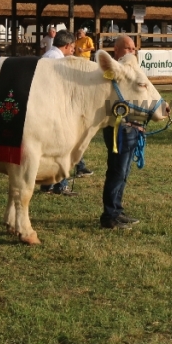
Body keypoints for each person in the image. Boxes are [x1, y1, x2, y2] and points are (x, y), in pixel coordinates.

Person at [39, 30, 94, 194]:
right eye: (72, 48)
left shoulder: (49, 56)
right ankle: (60, 185)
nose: (73, 51)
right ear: (67, 45)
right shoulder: (57, 60)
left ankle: (47, 184)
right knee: (64, 147)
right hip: (55, 109)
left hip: (47, 107)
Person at [100, 35, 142, 229]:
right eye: (128, 48)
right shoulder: (111, 73)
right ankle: (110, 215)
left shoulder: (132, 72)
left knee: (123, 171)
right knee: (117, 171)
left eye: (133, 48)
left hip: (130, 127)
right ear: (116, 51)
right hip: (118, 128)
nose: (132, 52)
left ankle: (117, 210)